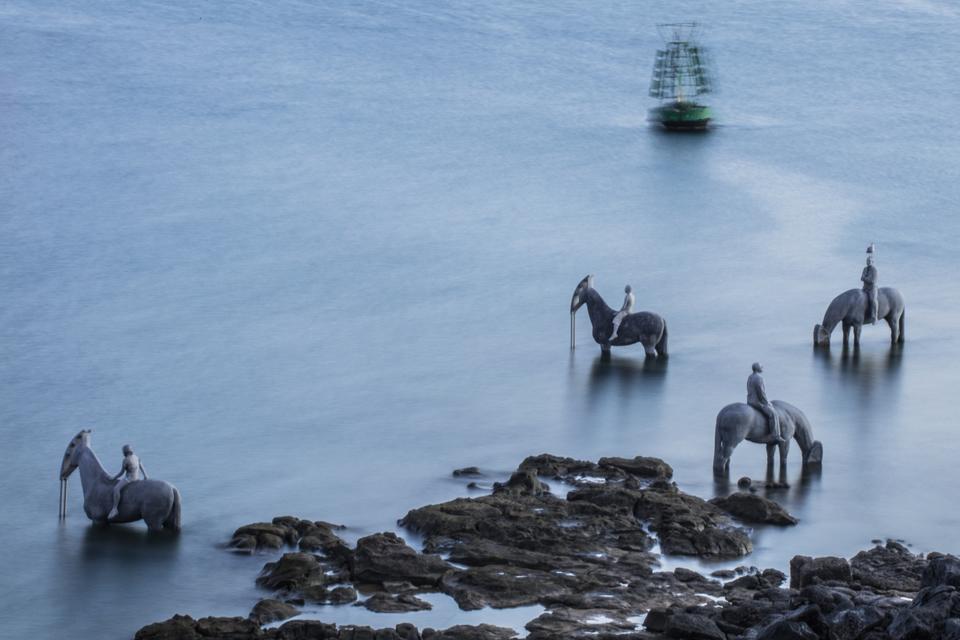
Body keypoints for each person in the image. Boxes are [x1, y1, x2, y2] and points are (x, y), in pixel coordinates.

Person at [747, 363, 783, 444]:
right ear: (757, 368)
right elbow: (761, 393)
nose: (762, 367)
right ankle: (775, 435)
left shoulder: (750, 377)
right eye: (761, 366)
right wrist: (767, 403)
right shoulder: (759, 378)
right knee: (773, 414)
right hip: (757, 402)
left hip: (750, 401)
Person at [108, 444, 147, 519]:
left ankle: (115, 508)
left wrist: (113, 478)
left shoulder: (126, 460)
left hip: (130, 479)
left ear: (124, 452)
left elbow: (121, 473)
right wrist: (145, 475)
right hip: (137, 477)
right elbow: (141, 466)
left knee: (116, 489)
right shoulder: (136, 457)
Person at [861, 244, 878, 325]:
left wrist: (865, 278)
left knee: (873, 300)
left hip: (872, 288)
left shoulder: (874, 270)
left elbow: (872, 280)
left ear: (872, 262)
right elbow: (861, 278)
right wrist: (865, 278)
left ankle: (874, 316)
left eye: (869, 261)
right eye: (867, 261)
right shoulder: (865, 269)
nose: (868, 262)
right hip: (865, 288)